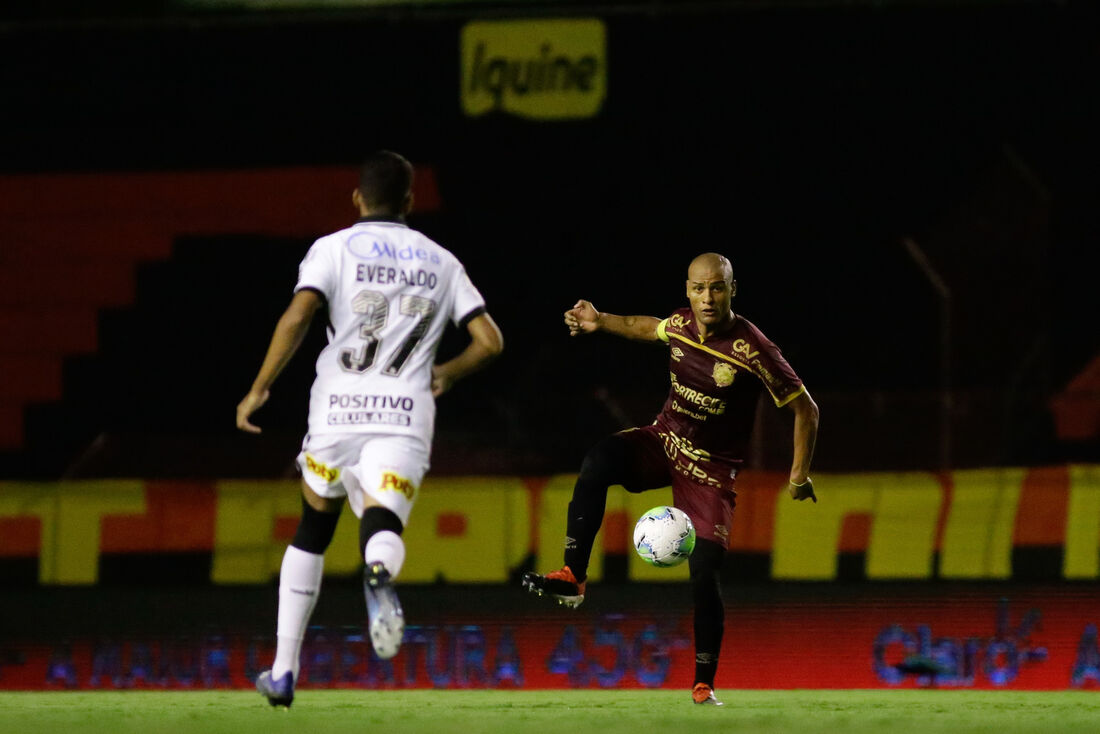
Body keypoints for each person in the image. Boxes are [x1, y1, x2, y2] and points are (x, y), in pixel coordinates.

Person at [236, 150, 503, 707]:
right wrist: (446, 374)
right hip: (405, 412)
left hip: (338, 409)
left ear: (357, 198)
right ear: (410, 202)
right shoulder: (442, 261)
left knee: (313, 525)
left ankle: (283, 672)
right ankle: (379, 573)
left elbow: (299, 316)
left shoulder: (332, 248)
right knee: (383, 518)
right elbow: (490, 342)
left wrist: (260, 387)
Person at [523, 252, 818, 705]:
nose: (707, 298)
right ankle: (573, 574)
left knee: (704, 573)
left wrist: (798, 476)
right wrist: (600, 320)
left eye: (717, 287)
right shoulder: (680, 324)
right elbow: (647, 327)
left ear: (732, 290)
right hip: (665, 440)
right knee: (598, 461)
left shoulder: (752, 348)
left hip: (712, 468)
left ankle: (703, 683)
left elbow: (805, 408)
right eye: (699, 288)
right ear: (687, 291)